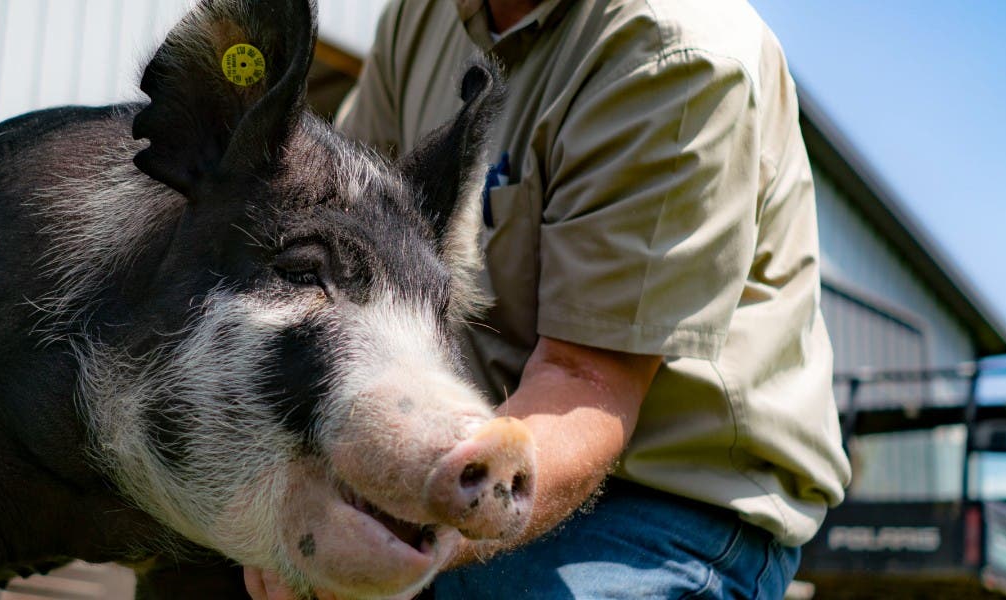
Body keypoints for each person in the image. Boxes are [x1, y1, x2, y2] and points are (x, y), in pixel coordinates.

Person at [247, 0, 852, 598]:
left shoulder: (675, 53)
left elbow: (585, 383)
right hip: (457, 456)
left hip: (661, 505)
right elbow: (339, 229)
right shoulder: (419, 15)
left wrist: (382, 529)